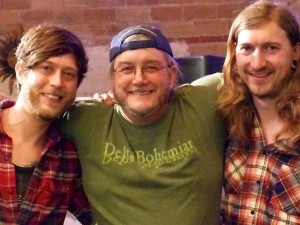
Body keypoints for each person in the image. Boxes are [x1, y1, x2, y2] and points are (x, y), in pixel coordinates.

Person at [58, 25, 226, 225]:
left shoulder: (206, 100)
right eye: (126, 69)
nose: (139, 79)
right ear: (113, 78)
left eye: (151, 67)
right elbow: (22, 114)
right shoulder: (84, 119)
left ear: (171, 74)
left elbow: (256, 72)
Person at [217, 0, 300, 224]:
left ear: (295, 52)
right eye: (247, 48)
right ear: (235, 55)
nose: (258, 63)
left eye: (271, 48)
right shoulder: (224, 115)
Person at [0, 24, 92, 224]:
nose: (57, 82)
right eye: (46, 68)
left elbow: (100, 214)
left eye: (68, 74)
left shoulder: (67, 157)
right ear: (21, 71)